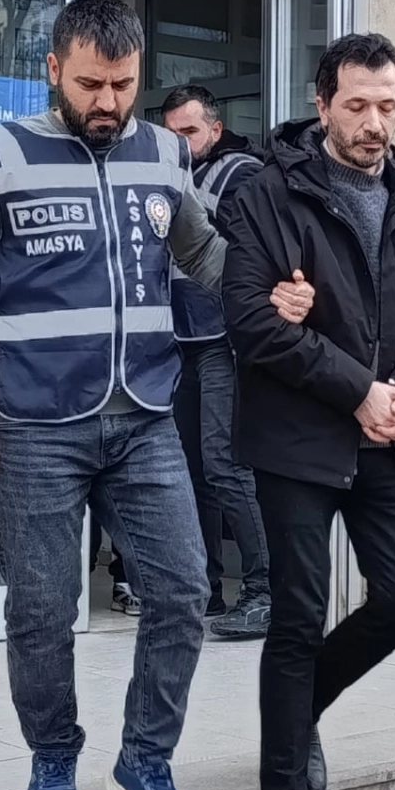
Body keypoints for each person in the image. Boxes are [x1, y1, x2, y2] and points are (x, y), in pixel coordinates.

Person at [0, 0, 225, 790]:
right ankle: (53, 755)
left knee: (183, 591)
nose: (108, 101)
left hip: (144, 416)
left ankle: (145, 761)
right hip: (31, 420)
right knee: (42, 607)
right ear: (54, 68)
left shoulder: (166, 152)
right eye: (91, 84)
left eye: (123, 85)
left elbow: (203, 253)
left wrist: (280, 284)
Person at [219, 33, 395, 790]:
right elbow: (251, 320)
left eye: (387, 105)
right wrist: (358, 387)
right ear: (322, 104)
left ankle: (300, 710)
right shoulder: (266, 193)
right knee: (296, 616)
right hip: (297, 440)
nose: (373, 123)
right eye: (356, 105)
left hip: (386, 434)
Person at [162, 84, 271, 642]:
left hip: (226, 340)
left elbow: (253, 252)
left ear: (215, 129)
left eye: (190, 131)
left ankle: (266, 593)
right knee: (189, 470)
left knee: (225, 465)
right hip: (181, 341)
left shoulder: (242, 174)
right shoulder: (168, 176)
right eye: (172, 134)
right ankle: (203, 589)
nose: (181, 144)